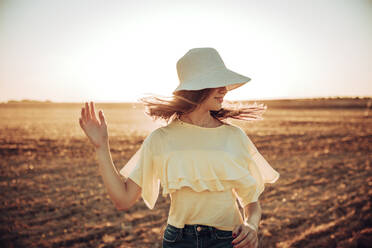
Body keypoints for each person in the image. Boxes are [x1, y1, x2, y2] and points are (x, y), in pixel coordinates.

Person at [79, 47, 280, 248]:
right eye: (216, 83)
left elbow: (251, 202)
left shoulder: (235, 136)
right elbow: (123, 200)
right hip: (179, 242)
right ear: (197, 88)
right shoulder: (161, 139)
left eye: (223, 83)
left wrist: (251, 226)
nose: (224, 89)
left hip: (230, 240)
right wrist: (101, 147)